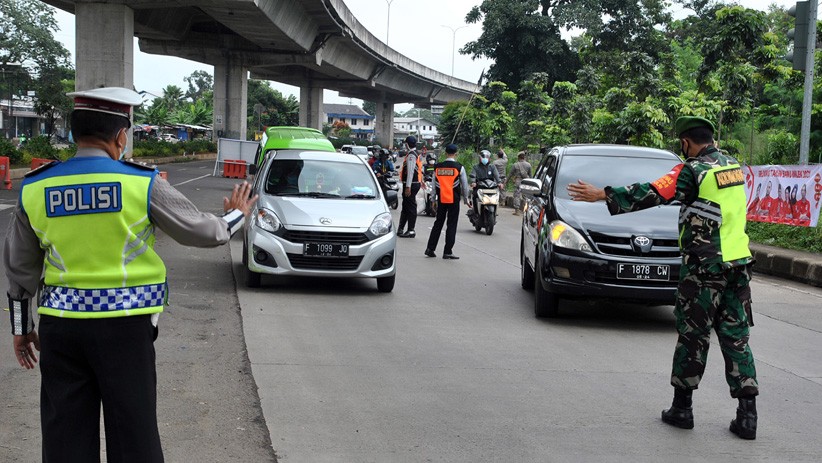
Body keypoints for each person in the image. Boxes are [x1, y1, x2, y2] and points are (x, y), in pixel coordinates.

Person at [3, 87, 258, 462]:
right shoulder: (142, 183)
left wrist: (21, 329)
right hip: (125, 330)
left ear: (75, 133)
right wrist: (237, 214)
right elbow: (207, 233)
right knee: (133, 436)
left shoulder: (37, 186)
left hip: (61, 330)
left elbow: (20, 268)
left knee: (64, 440)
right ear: (120, 136)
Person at [567, 116, 759, 440]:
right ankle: (748, 416)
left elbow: (654, 191)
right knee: (736, 337)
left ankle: (682, 409)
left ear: (686, 143)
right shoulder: (733, 167)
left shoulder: (692, 170)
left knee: (693, 336)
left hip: (704, 268)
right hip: (738, 264)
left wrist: (602, 194)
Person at [424, 144, 471, 260]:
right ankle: (447, 251)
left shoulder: (438, 167)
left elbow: (434, 185)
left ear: (445, 153)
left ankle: (430, 249)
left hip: (441, 199)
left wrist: (433, 199)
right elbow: (465, 186)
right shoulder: (459, 167)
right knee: (451, 224)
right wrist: (466, 199)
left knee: (438, 223)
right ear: (456, 154)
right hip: (453, 200)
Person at [397, 135, 423, 238]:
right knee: (406, 207)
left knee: (410, 208)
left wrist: (407, 187)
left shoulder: (412, 155)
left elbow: (411, 172)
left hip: (411, 184)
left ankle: (411, 230)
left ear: (407, 144)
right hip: (413, 183)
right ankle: (401, 228)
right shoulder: (416, 154)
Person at [469, 149, 502, 217]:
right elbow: (472, 175)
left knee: (498, 195)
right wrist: (473, 182)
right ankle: (475, 212)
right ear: (480, 158)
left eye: (487, 157)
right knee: (475, 195)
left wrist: (499, 183)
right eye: (483, 157)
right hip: (479, 186)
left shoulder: (492, 167)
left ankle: (495, 211)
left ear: (489, 158)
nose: (485, 159)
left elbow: (497, 175)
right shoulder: (476, 167)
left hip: (491, 187)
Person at [506, 151, 533, 215]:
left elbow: (510, 174)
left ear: (518, 157)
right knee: (525, 196)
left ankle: (517, 211)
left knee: (517, 196)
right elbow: (531, 175)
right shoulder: (528, 165)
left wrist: (506, 182)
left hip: (518, 182)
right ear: (524, 157)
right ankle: (525, 210)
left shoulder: (515, 165)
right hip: (526, 182)